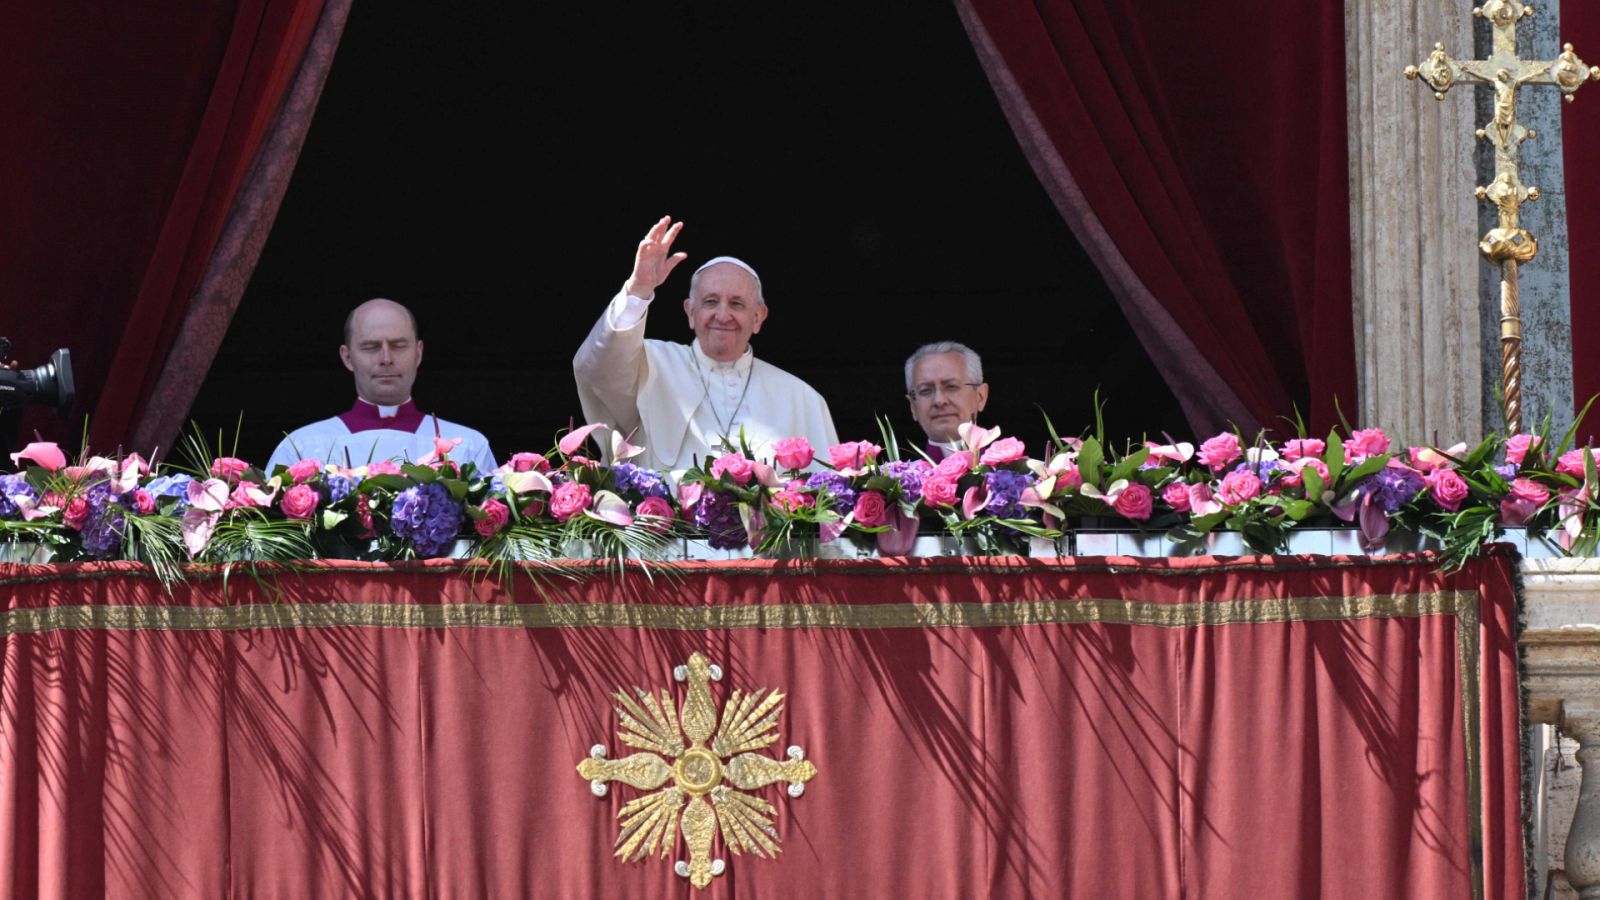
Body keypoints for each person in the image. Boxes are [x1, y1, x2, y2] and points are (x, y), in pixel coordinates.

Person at [574, 216, 839, 473]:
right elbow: (600, 367)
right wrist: (638, 289)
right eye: (710, 302)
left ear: (758, 317)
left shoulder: (801, 399)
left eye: (737, 303)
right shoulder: (649, 366)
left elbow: (829, 499)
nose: (722, 316)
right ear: (690, 312)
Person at [266, 298, 496, 474]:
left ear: (418, 353)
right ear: (347, 357)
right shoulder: (302, 447)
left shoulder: (468, 445)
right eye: (371, 346)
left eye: (398, 345)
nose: (386, 358)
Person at [904, 341, 990, 462]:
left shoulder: (1019, 477)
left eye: (951, 387)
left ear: (980, 396)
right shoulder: (899, 480)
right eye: (925, 390)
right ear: (913, 406)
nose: (939, 400)